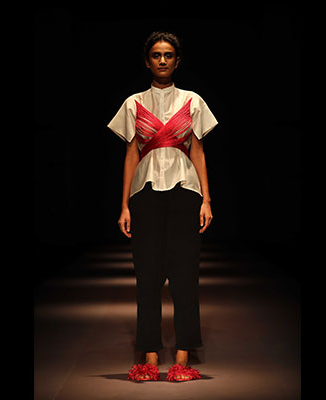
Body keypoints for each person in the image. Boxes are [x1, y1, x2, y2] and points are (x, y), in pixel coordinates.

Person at [108, 31, 218, 382]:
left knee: (185, 274)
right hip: (145, 193)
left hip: (186, 191)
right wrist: (124, 205)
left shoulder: (193, 101)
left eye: (168, 55)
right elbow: (131, 154)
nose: (162, 60)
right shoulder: (133, 103)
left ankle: (183, 356)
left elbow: (198, 151)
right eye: (156, 55)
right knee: (147, 275)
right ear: (147, 61)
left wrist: (206, 199)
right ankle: (150, 355)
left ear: (177, 61)